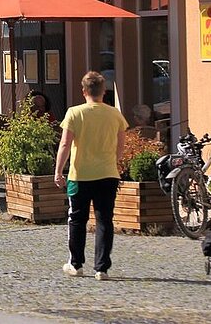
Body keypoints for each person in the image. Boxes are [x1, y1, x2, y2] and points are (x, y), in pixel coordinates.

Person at [55, 71, 127, 281]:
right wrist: (116, 161)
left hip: (80, 175)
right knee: (104, 220)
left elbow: (65, 144)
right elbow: (121, 143)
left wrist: (59, 171)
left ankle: (76, 264)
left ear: (84, 91)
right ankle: (102, 268)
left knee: (77, 219)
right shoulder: (114, 114)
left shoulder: (75, 113)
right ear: (104, 91)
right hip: (107, 174)